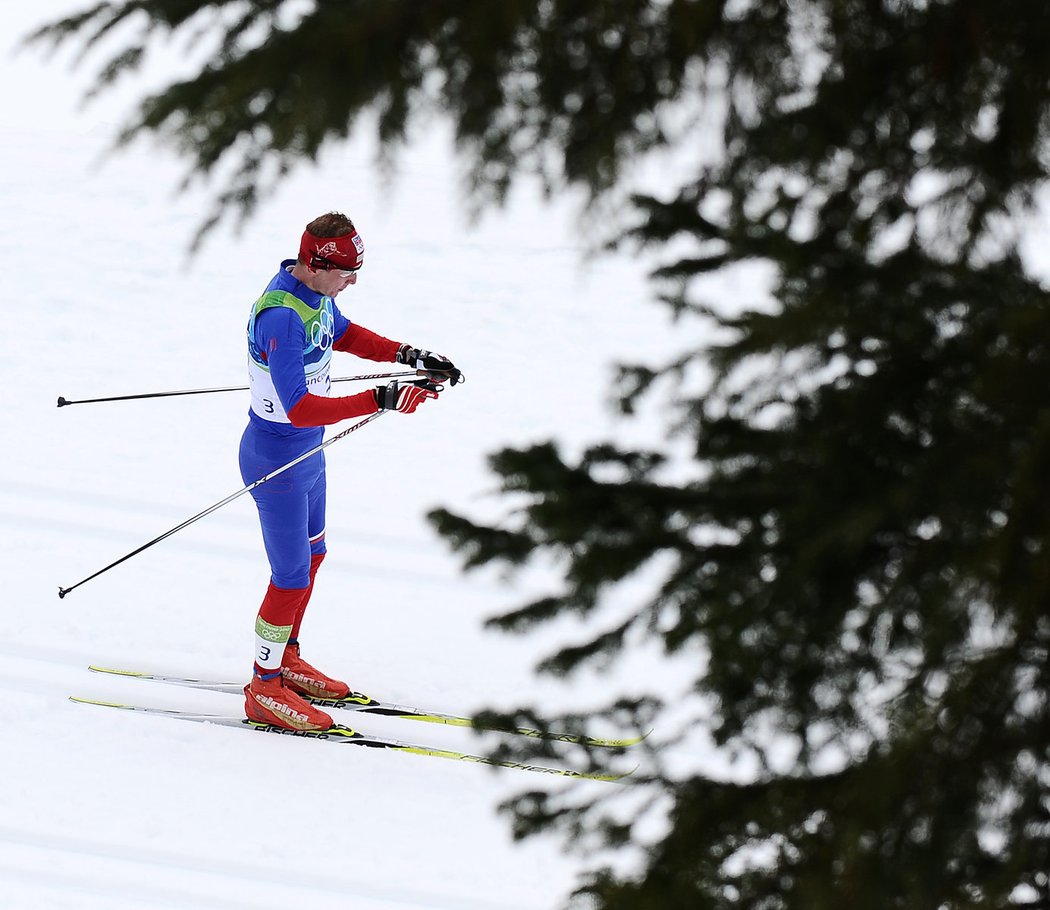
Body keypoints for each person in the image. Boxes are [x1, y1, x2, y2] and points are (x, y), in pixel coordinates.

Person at [238, 211, 462, 731]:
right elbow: (300, 408)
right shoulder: (281, 317)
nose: (353, 281)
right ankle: (263, 687)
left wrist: (407, 355)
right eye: (347, 272)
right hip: (277, 459)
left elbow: (346, 335)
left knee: (313, 556)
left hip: (308, 454)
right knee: (289, 577)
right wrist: (379, 397)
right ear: (315, 265)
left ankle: (285, 658)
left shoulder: (318, 297)